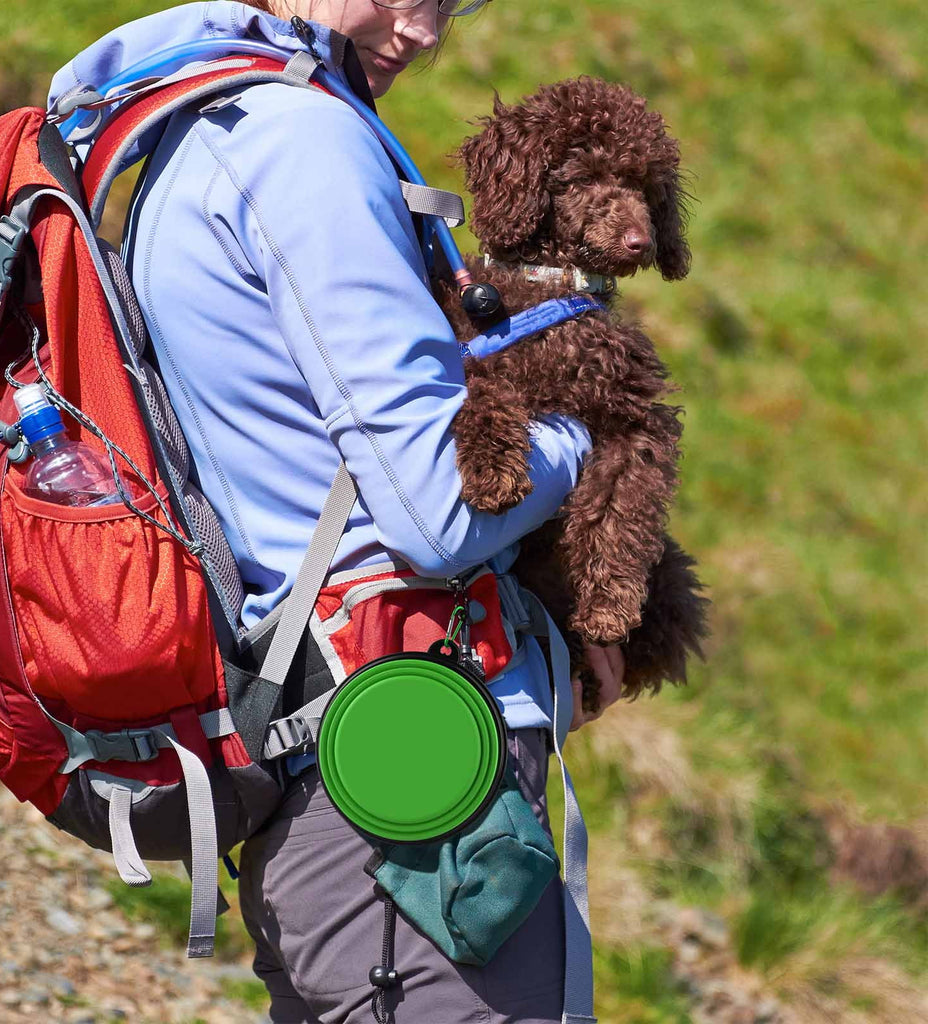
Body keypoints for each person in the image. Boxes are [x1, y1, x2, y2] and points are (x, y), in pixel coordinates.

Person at [50, 2, 625, 1020]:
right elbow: (435, 510)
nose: (424, 30)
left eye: (452, 3)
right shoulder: (301, 142)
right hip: (413, 807)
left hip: (346, 784)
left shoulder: (186, 132)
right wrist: (588, 435)